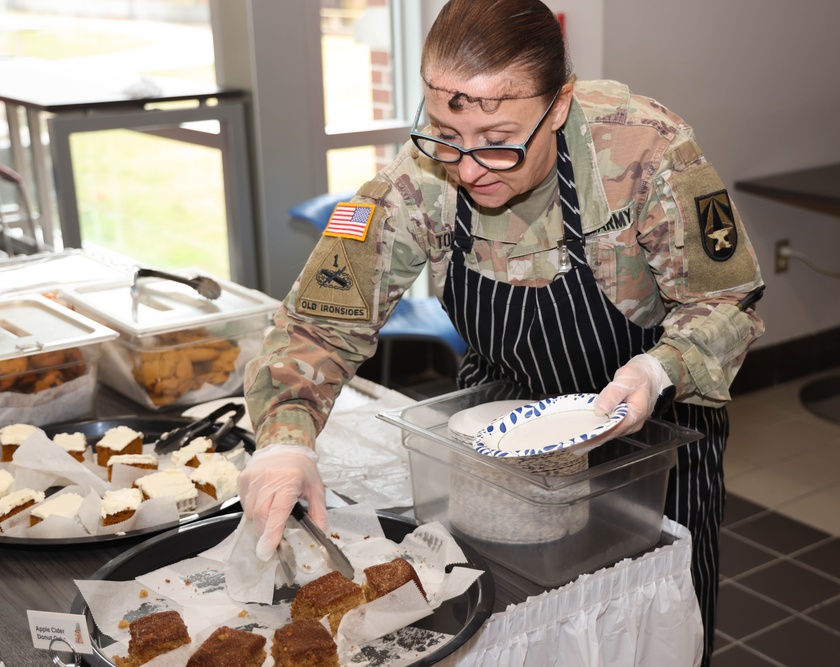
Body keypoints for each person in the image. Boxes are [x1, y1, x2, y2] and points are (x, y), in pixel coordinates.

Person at [239, 0, 765, 663]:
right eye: (445, 136)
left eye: (498, 142)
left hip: (652, 449)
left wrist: (657, 370)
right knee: (508, 628)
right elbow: (317, 323)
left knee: (651, 630)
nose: (466, 168)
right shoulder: (418, 180)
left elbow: (727, 300)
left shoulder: (644, 150)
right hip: (498, 449)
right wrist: (287, 442)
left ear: (561, 102)